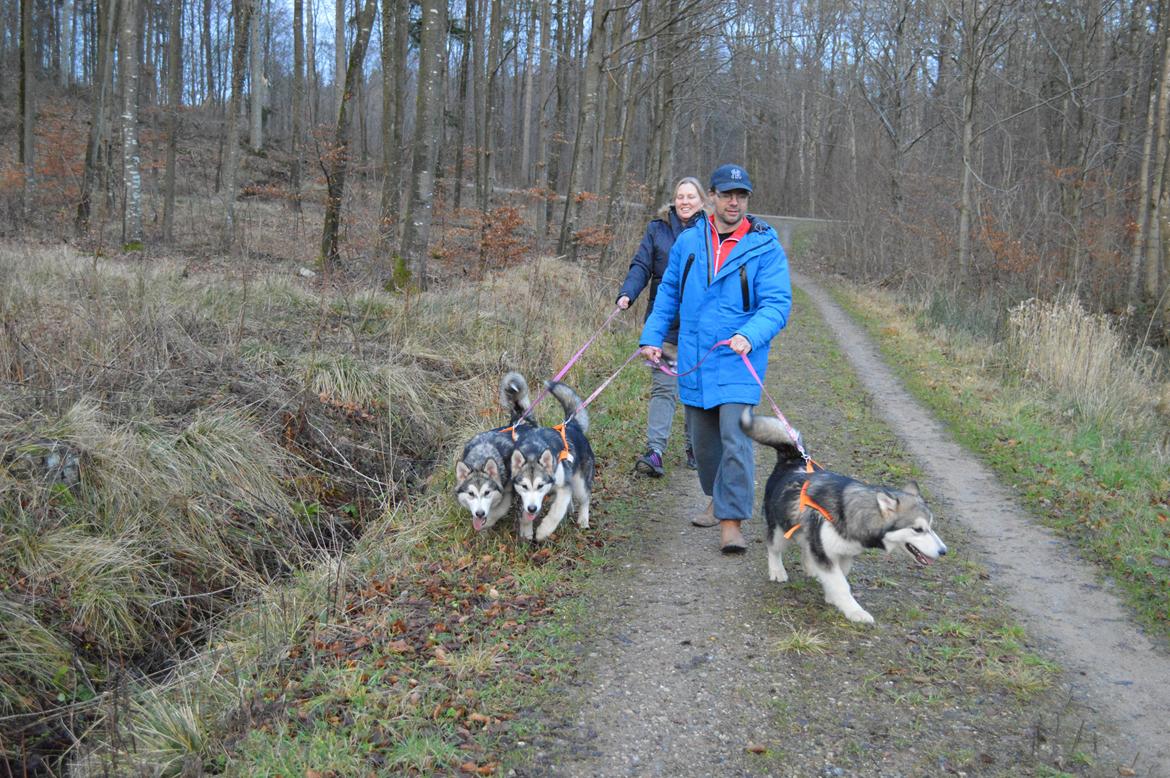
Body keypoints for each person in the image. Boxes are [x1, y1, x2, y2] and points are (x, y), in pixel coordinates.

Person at [639, 164, 792, 553]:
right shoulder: (689, 242)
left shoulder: (765, 246)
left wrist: (748, 335)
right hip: (695, 359)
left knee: (736, 440)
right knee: (705, 448)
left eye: (741, 195)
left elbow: (777, 305)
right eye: (727, 194)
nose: (734, 202)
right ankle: (717, 497)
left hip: (739, 362)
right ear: (712, 198)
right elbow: (668, 293)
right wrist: (652, 337)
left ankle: (732, 523)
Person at [616, 176, 706, 477]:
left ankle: (696, 446)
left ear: (702, 201)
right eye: (680, 196)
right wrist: (628, 293)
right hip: (664, 325)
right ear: (673, 200)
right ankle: (655, 451)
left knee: (695, 390)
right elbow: (641, 265)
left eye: (691, 196)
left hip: (699, 329)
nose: (685, 201)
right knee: (664, 389)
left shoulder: (711, 232)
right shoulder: (658, 230)